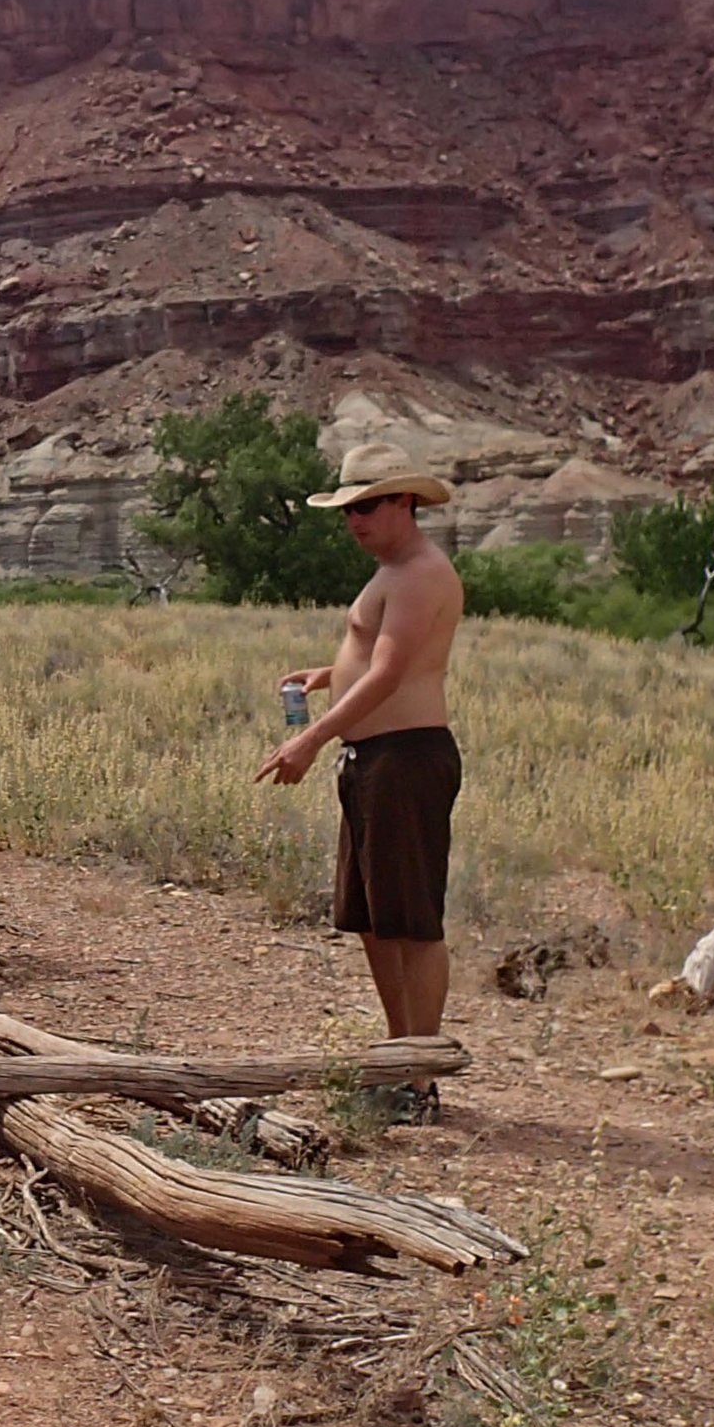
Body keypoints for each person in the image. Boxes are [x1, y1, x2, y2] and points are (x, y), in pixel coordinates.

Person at [256, 438, 465, 1122]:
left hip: (406, 757)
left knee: (412, 919)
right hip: (377, 761)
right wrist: (326, 674)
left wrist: (310, 738)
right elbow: (373, 658)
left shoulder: (421, 573)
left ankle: (420, 1078)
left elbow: (390, 673)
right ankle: (397, 1059)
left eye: (369, 505)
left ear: (405, 500)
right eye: (349, 507)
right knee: (377, 919)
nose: (356, 520)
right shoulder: (395, 571)